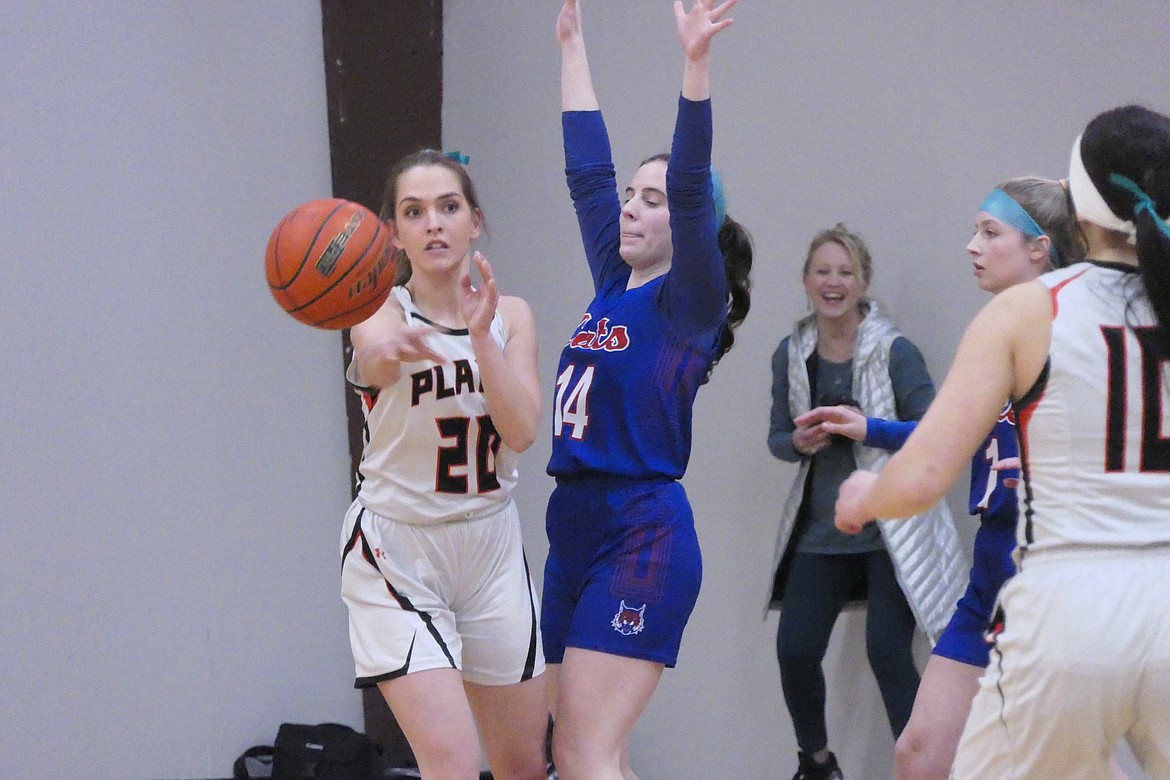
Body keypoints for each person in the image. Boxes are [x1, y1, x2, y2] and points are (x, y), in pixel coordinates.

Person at [835, 104, 1170, 780]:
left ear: (1075, 206)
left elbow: (926, 472)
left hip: (1070, 601)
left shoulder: (1030, 309)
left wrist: (871, 491)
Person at [799, 178, 1087, 780]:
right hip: (990, 575)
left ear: (1038, 248)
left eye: (990, 233)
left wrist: (873, 493)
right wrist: (870, 427)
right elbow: (953, 432)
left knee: (1069, 761)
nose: (971, 246)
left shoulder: (1076, 333)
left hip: (1050, 576)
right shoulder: (999, 326)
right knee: (920, 754)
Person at [542, 2, 753, 779]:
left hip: (641, 532)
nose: (630, 205)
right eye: (633, 195)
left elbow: (693, 182)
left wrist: (695, 64)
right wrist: (572, 47)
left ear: (690, 227)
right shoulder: (613, 278)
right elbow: (585, 172)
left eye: (651, 200)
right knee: (592, 755)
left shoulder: (690, 300)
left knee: (583, 752)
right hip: (574, 525)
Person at [339, 149, 549, 780]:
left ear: (474, 222)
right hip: (399, 549)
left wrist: (481, 338)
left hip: (490, 547)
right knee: (453, 766)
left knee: (521, 768)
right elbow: (374, 357)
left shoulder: (511, 317)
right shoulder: (379, 311)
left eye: (447, 207)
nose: (432, 223)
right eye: (414, 211)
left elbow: (522, 430)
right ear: (395, 233)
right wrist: (389, 350)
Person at [767, 223, 964, 780]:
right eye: (823, 271)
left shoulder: (896, 351)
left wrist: (867, 428)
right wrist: (797, 442)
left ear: (864, 282)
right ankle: (817, 762)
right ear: (806, 281)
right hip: (823, 531)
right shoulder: (792, 353)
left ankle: (922, 767)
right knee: (796, 649)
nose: (833, 282)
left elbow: (934, 431)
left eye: (845, 272)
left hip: (892, 531)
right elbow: (778, 439)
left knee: (886, 652)